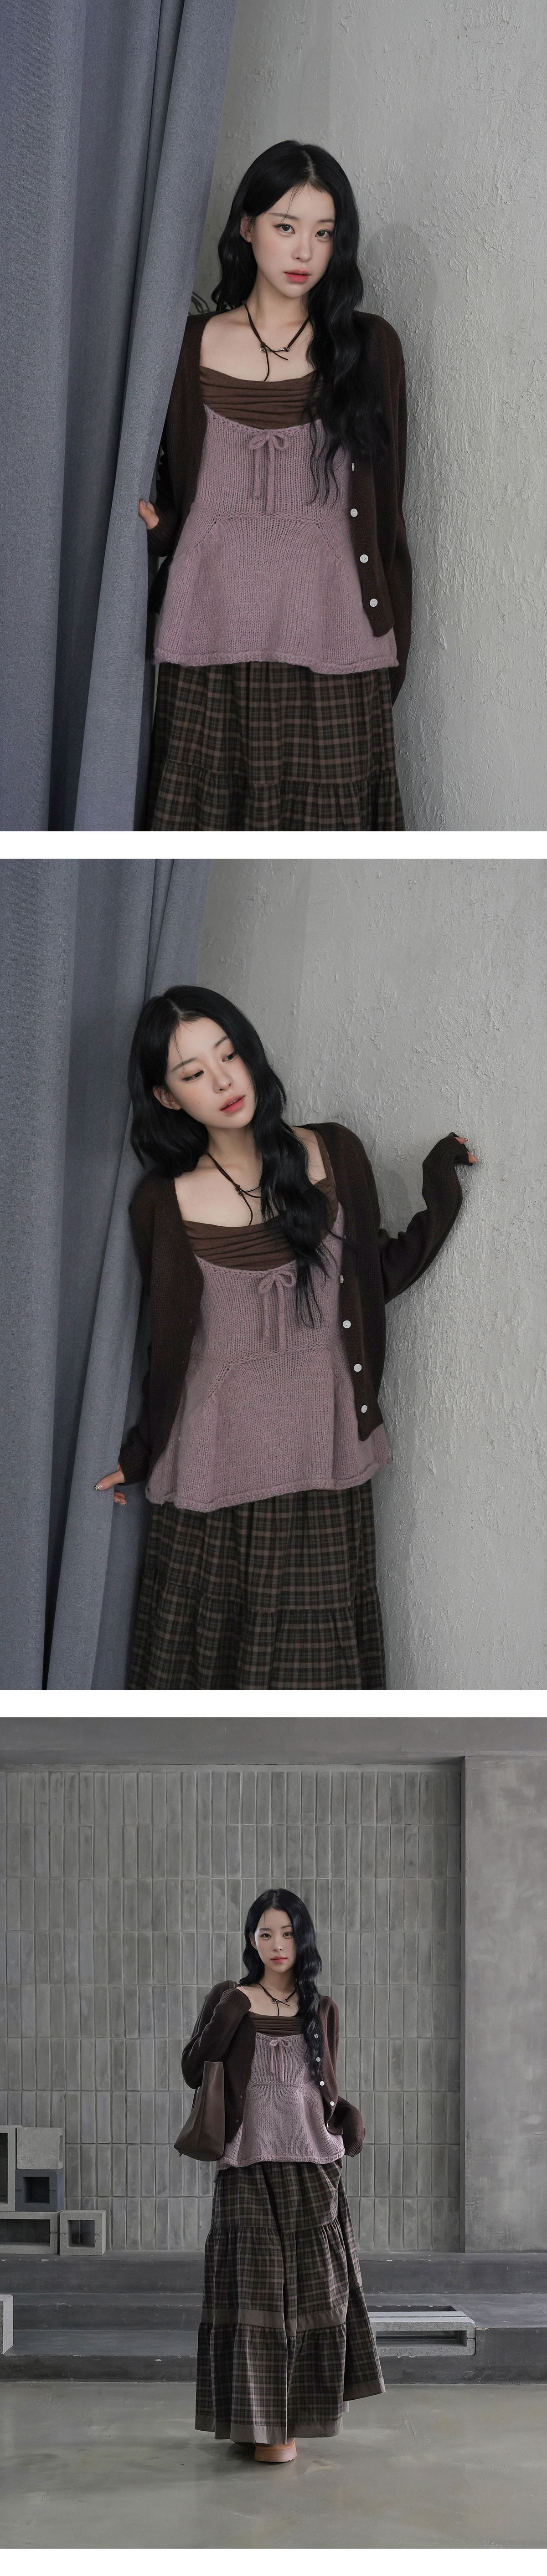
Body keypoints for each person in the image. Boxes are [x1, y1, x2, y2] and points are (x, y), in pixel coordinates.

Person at [96, 984, 476, 1689]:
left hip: (323, 1461)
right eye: (193, 1072)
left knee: (317, 1690)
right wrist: (140, 1451)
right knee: (203, 1682)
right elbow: (170, 1349)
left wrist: (440, 1191)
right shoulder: (162, 1199)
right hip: (213, 1471)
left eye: (229, 1054)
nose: (222, 1080)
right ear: (168, 1097)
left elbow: (372, 1276)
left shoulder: (333, 1151)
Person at [139, 139, 411, 831]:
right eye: (286, 226)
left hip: (335, 645)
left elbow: (388, 516)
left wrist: (393, 638)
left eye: (324, 233)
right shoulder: (183, 347)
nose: (304, 251)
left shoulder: (370, 350)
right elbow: (179, 496)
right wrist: (160, 530)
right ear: (246, 226)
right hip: (210, 643)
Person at [179, 1888, 385, 2460]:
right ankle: (257, 2423)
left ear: (303, 1940)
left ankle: (294, 2422)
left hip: (315, 2163)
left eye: (287, 1933)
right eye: (265, 1933)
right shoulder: (231, 1998)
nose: (276, 1944)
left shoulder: (322, 2008)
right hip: (246, 2163)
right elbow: (194, 2071)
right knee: (253, 2295)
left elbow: (324, 2087)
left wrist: (347, 2116)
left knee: (318, 2295)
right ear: (252, 1940)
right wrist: (228, 2015)